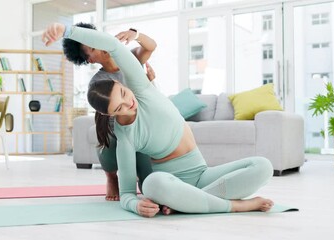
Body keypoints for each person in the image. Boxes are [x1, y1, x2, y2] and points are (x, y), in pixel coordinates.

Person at [42, 23, 274, 218]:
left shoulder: (141, 87)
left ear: (124, 85)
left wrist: (66, 30)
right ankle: (233, 206)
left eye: (123, 95)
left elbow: (113, 44)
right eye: (118, 108)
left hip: (202, 174)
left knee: (263, 166)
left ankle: (189, 203)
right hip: (170, 181)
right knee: (152, 185)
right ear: (111, 115)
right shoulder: (125, 136)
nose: (127, 104)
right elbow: (127, 195)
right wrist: (135, 205)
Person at [62, 22, 157, 201]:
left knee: (148, 187)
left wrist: (134, 34)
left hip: (142, 128)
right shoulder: (98, 83)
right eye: (92, 48)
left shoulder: (130, 59)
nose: (99, 46)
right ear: (90, 59)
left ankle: (139, 175)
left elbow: (151, 46)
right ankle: (112, 177)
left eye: (97, 41)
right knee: (107, 140)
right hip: (119, 131)